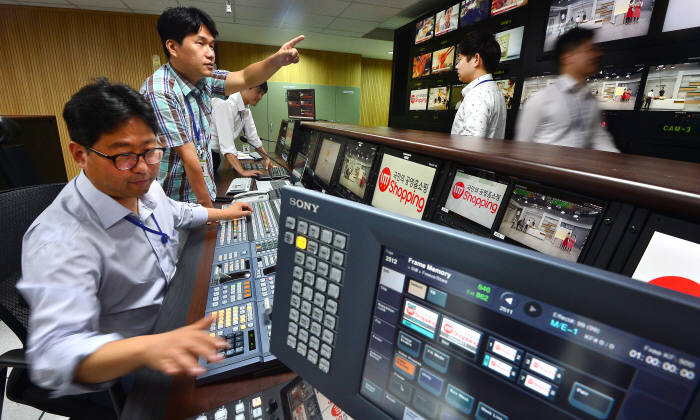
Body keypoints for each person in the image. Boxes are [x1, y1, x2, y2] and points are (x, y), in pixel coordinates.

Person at [17, 79, 254, 398]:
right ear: (80, 154)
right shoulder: (60, 239)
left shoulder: (142, 186)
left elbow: (178, 212)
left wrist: (226, 213)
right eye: (124, 156)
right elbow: (53, 354)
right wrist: (148, 348)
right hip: (129, 365)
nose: (143, 168)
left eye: (151, 151)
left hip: (174, 318)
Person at [141, 7, 303, 207]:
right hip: (176, 205)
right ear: (173, 47)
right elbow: (189, 159)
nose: (210, 54)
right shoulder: (161, 91)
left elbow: (244, 77)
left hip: (200, 198)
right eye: (201, 44)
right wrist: (211, 214)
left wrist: (277, 60)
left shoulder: (204, 80)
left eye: (212, 46)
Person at [515, 28, 620, 152]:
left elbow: (599, 138)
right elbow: (521, 148)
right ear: (567, 57)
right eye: (589, 50)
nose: (597, 55)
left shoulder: (591, 100)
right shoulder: (539, 100)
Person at [451, 29, 506, 139]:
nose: (456, 66)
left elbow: (470, 147)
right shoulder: (497, 92)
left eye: (460, 59)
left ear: (476, 59)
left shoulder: (477, 96)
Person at [210, 82, 271, 178]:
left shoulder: (245, 108)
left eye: (262, 94)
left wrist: (267, 158)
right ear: (245, 87)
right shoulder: (227, 102)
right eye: (258, 91)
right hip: (205, 156)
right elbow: (227, 145)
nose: (260, 97)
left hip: (215, 155)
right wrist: (242, 171)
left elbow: (253, 138)